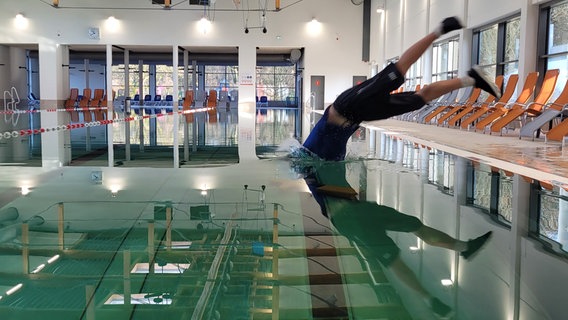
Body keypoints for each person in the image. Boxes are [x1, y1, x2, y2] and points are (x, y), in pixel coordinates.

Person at [301, 160, 492, 318]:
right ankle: (430, 300)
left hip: (360, 209)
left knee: (415, 225)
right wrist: (377, 281)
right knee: (392, 258)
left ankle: (465, 247)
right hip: (349, 219)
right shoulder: (313, 164)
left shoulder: (326, 156)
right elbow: (362, 248)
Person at [302, 16, 501, 161]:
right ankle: (471, 80)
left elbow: (298, 157)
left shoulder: (305, 156)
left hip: (349, 105)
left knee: (398, 71)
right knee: (418, 100)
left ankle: (440, 29)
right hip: (360, 115)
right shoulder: (324, 159)